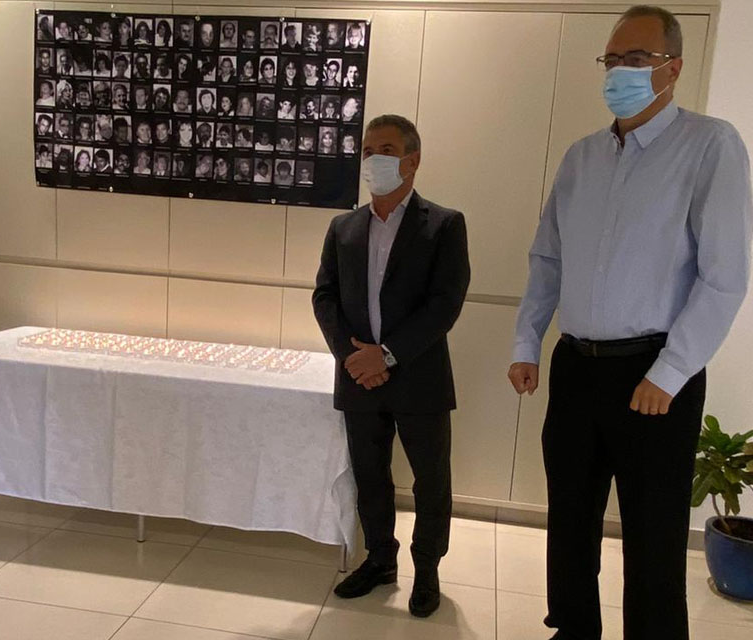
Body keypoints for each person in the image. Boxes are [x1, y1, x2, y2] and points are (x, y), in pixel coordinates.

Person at [508, 7, 751, 640]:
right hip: (576, 366)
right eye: (613, 60)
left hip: (654, 373)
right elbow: (547, 257)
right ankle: (573, 629)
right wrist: (527, 340)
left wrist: (670, 372)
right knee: (570, 518)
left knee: (652, 533)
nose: (621, 72)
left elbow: (724, 275)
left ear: (673, 68)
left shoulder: (709, 145)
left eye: (637, 59)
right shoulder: (581, 157)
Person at [313, 114, 470, 618]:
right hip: (359, 378)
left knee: (431, 480)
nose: (373, 159)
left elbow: (445, 304)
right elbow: (324, 297)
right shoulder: (343, 228)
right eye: (367, 150)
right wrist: (354, 358)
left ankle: (427, 568)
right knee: (370, 476)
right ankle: (380, 559)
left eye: (385, 149)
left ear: (412, 160)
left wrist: (386, 354)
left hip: (419, 377)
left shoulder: (444, 224)